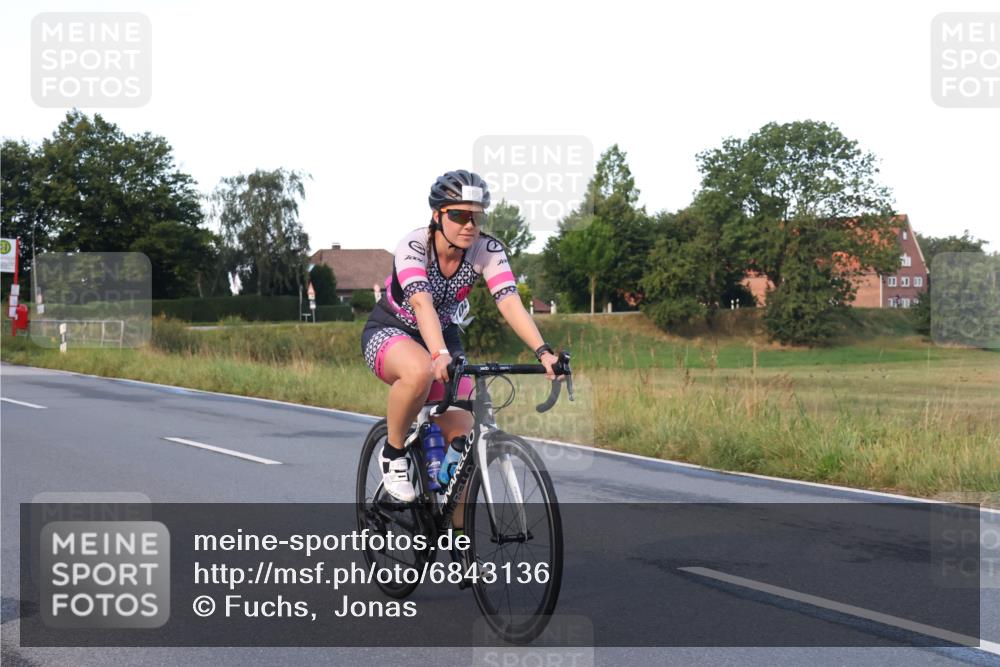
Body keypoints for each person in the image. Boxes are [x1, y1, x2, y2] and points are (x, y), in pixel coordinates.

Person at [360, 169, 563, 503]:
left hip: (443, 336)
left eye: (476, 216)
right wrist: (438, 354)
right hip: (391, 330)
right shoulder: (414, 246)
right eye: (458, 215)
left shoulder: (486, 250)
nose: (469, 224)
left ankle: (457, 538)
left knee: (469, 426)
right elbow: (422, 302)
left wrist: (544, 352)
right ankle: (393, 453)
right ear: (437, 215)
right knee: (419, 371)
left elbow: (510, 303)